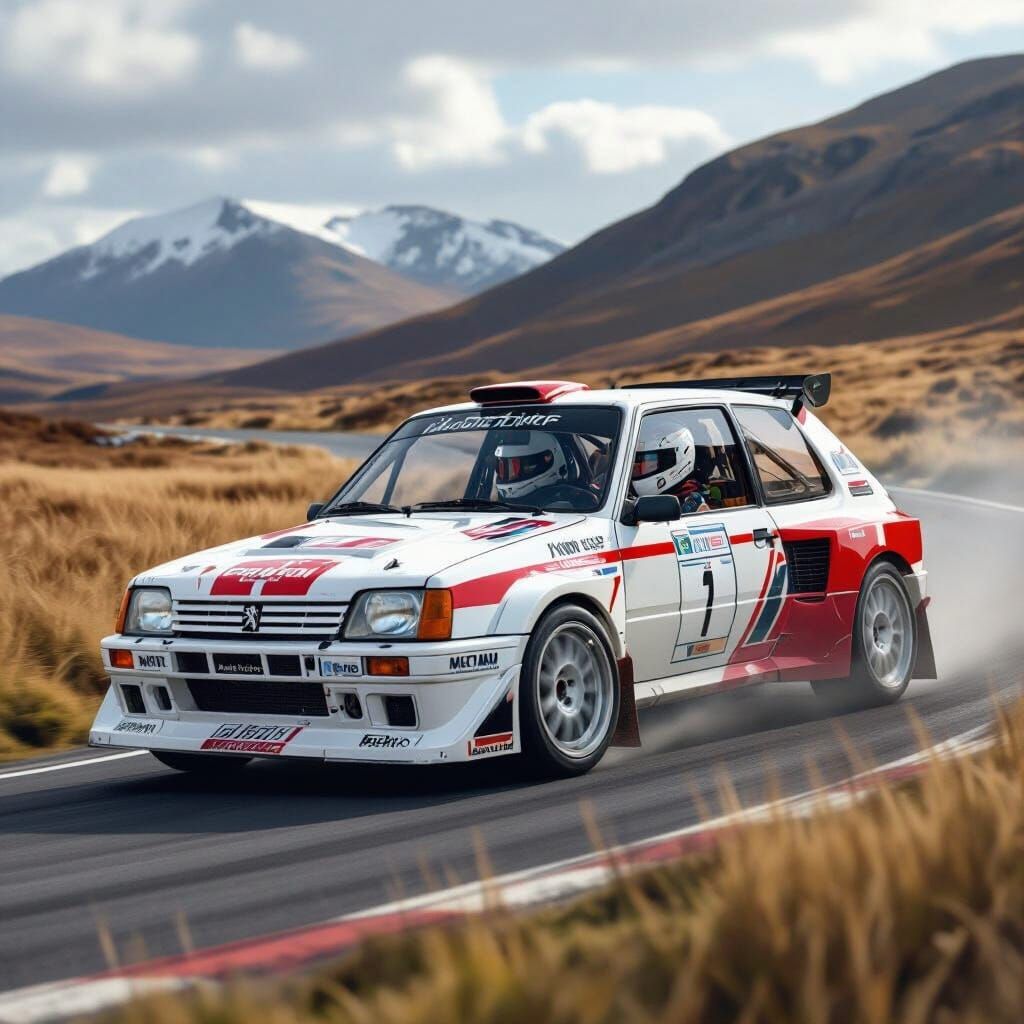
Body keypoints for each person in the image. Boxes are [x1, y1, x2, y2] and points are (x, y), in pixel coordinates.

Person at [631, 422, 712, 513]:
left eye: (646, 460)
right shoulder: (632, 495)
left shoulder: (694, 505)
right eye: (636, 461)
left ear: (670, 461)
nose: (636, 468)